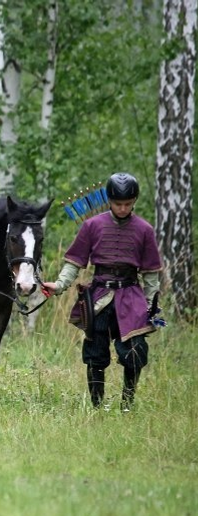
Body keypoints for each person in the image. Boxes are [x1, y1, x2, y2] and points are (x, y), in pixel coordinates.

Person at [42, 173, 163, 411]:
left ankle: (127, 405)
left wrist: (151, 306)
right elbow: (74, 262)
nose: (122, 208)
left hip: (131, 298)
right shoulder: (92, 225)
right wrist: (59, 285)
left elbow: (151, 274)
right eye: (118, 203)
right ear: (109, 200)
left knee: (135, 353)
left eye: (128, 204)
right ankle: (97, 407)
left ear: (134, 201)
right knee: (95, 354)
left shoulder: (144, 229)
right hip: (98, 298)